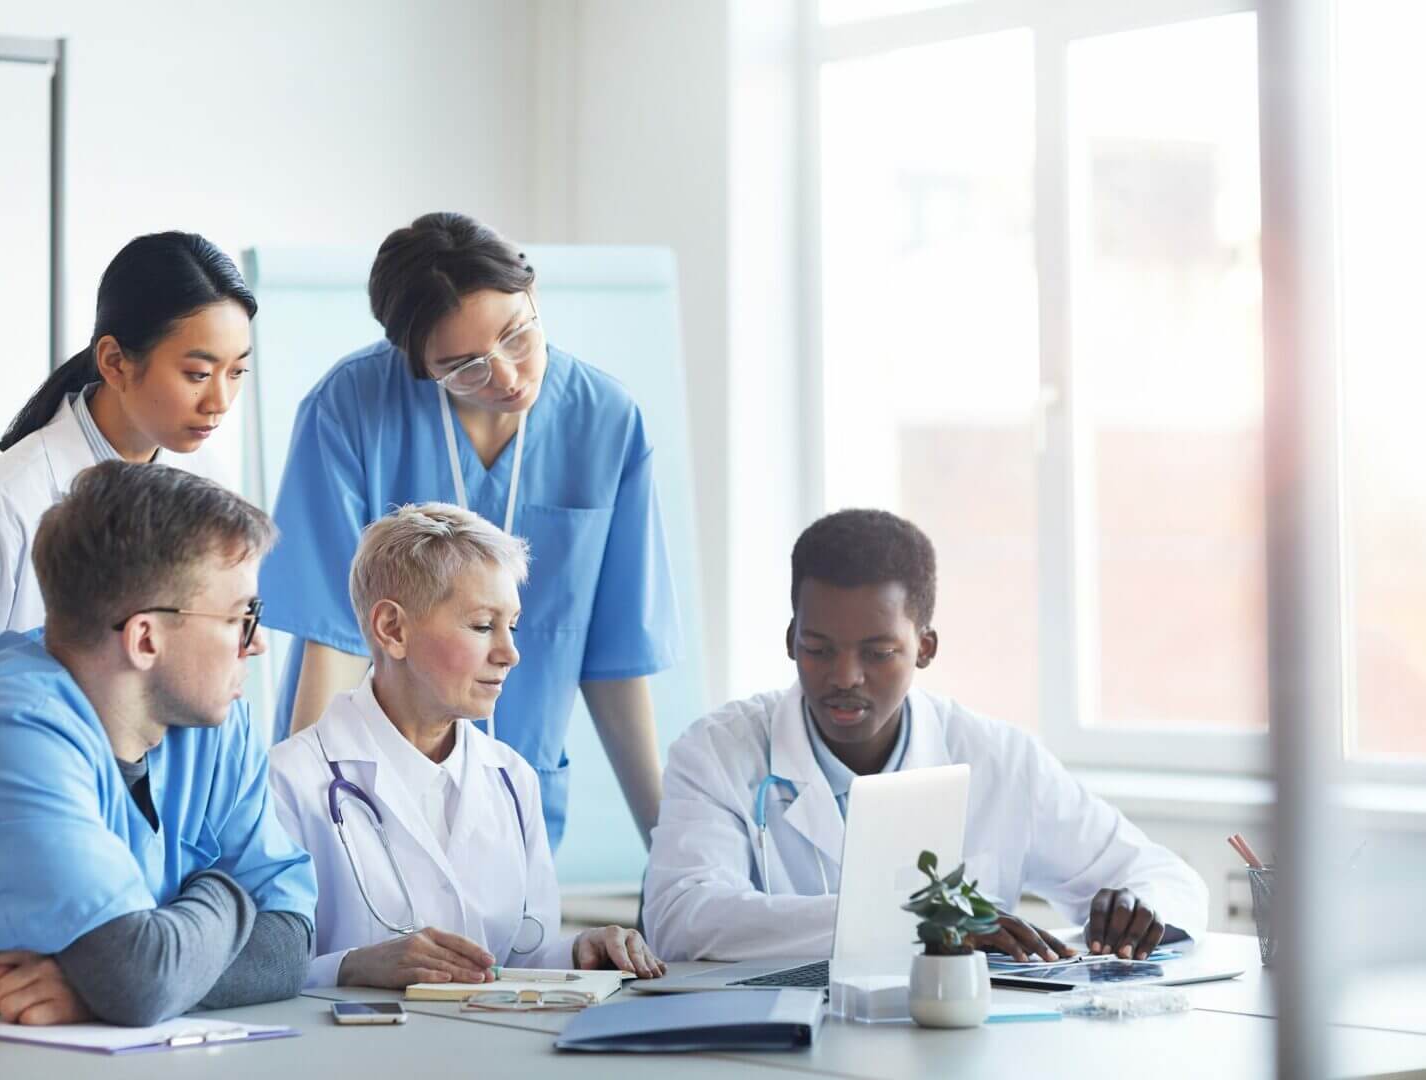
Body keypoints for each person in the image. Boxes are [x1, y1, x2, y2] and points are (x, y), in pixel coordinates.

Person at [0, 462, 316, 1024]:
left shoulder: (214, 718)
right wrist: (226, 894)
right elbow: (140, 980)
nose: (258, 643)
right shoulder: (8, 731)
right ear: (145, 638)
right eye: (241, 617)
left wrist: (97, 991)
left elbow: (291, 941)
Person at [259, 212, 681, 850]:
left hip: (519, 795)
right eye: (463, 367)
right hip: (370, 789)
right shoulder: (350, 409)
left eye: (517, 336)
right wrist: (306, 825)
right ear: (417, 363)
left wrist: (670, 847)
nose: (507, 378)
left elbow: (615, 659)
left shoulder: (606, 420)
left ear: (533, 294)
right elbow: (335, 640)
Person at [644, 509, 1209, 964]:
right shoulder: (717, 752)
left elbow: (1166, 878)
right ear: (791, 638)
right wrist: (925, 919)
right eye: (818, 648)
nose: (844, 677)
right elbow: (683, 916)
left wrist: (1138, 906)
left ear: (926, 647)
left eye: (877, 652)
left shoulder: (999, 759)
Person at [0, 231, 255, 778]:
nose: (220, 402)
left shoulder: (208, 481)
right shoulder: (9, 505)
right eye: (196, 373)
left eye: (237, 372)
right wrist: (60, 785)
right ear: (115, 363)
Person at [269, 503, 664, 988]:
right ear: (392, 629)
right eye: (482, 626)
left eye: (512, 626)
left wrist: (580, 952)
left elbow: (521, 959)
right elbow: (257, 979)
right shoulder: (291, 782)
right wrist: (351, 967)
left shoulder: (512, 778)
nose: (510, 653)